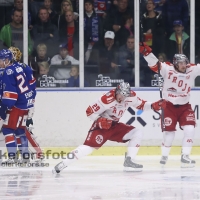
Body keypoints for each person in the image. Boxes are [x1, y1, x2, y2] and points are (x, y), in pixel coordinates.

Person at [52, 82, 166, 174]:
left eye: (125, 95)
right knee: (88, 148)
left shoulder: (131, 97)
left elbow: (142, 105)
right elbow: (89, 111)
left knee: (137, 133)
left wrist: (154, 105)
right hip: (101, 126)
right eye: (120, 94)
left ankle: (129, 160)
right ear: (116, 91)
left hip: (115, 126)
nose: (122, 98)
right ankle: (63, 163)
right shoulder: (106, 99)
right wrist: (100, 120)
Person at [139, 42, 198, 167]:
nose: (184, 65)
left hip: (185, 106)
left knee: (190, 129)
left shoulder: (192, 69)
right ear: (175, 63)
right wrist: (146, 53)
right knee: (169, 135)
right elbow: (154, 65)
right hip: (169, 106)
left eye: (185, 63)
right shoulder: (167, 68)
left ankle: (185, 156)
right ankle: (165, 155)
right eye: (181, 63)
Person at [0, 49, 35, 165]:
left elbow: (10, 93)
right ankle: (25, 157)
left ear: (6, 60)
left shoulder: (8, 71)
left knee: (8, 129)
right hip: (25, 104)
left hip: (16, 106)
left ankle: (12, 157)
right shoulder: (18, 67)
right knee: (20, 130)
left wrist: (4, 108)